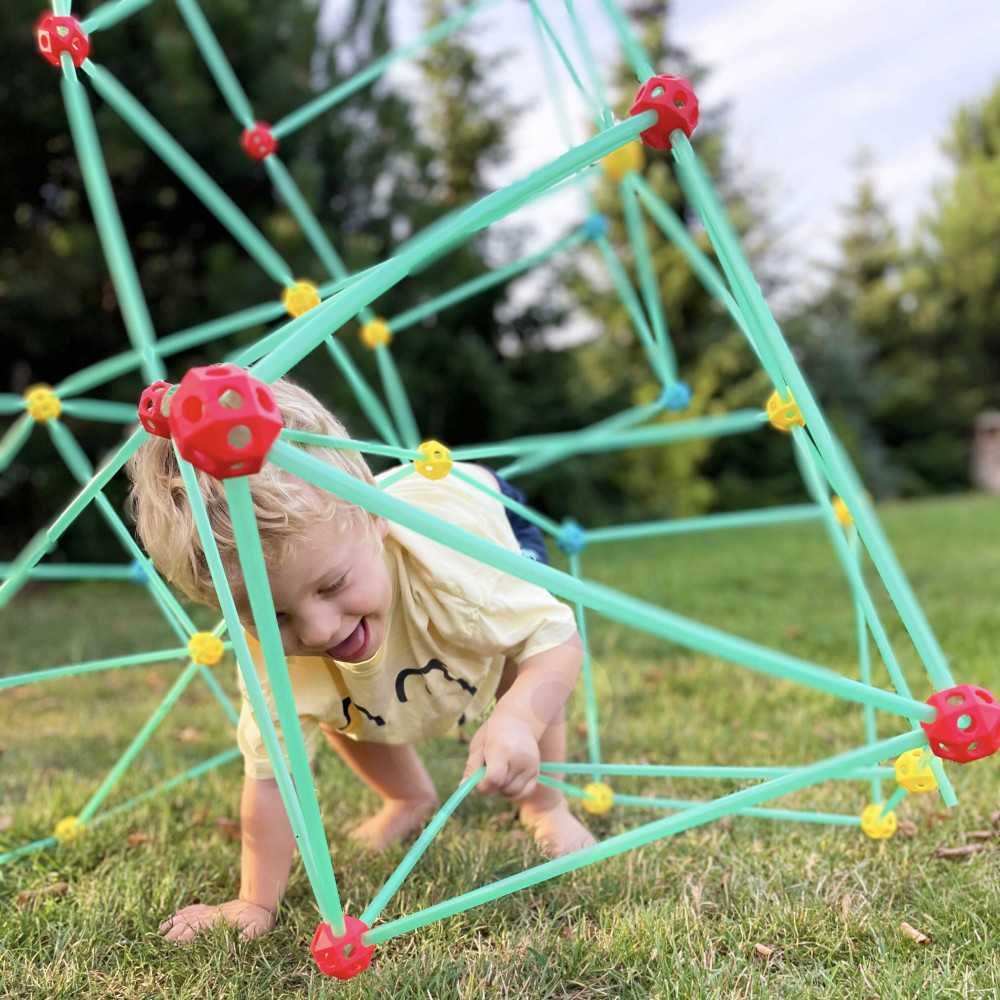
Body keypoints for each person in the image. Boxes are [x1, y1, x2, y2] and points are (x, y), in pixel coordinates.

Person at [126, 377, 595, 943]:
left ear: (375, 520)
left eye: (332, 584)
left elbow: (555, 638)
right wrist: (254, 903)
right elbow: (273, 780)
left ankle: (546, 803)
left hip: (481, 509)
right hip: (367, 531)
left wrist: (519, 717)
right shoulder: (274, 658)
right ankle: (406, 796)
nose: (319, 628)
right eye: (274, 617)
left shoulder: (456, 574)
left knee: (522, 656)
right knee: (333, 694)